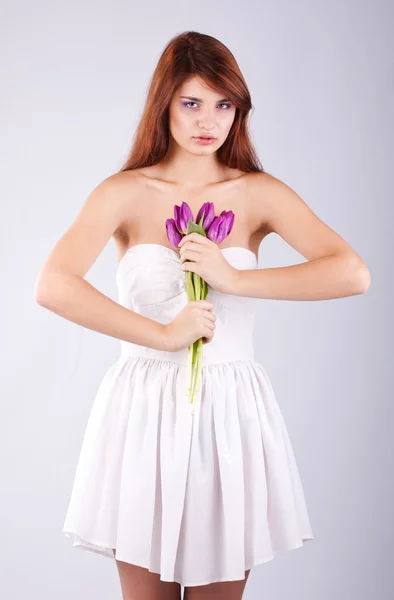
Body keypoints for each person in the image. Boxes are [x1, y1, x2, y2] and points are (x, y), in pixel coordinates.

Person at [35, 30, 370, 600]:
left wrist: (234, 278)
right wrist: (163, 334)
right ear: (163, 102)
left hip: (229, 411)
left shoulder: (258, 192)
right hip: (142, 410)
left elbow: (351, 272)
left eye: (223, 104)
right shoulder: (124, 192)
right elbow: (54, 285)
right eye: (191, 102)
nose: (207, 120)